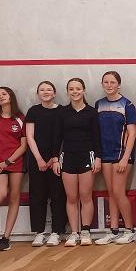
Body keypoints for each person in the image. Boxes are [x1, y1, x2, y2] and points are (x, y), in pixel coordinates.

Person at [52, 78, 102, 247]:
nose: (75, 92)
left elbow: (96, 137)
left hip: (87, 157)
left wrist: (98, 158)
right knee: (72, 197)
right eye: (71, 89)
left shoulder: (91, 112)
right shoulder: (62, 112)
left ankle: (86, 231)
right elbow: (57, 137)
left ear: (83, 90)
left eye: (78, 88)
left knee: (85, 195)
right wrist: (55, 159)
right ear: (67, 92)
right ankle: (74, 233)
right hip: (68, 158)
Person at [94, 71, 136, 245]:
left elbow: (132, 134)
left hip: (122, 155)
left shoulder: (127, 104)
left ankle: (130, 230)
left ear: (119, 84)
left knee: (119, 192)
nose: (109, 85)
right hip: (105, 155)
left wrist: (125, 157)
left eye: (112, 82)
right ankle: (113, 231)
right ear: (102, 84)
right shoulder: (99, 104)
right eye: (106, 82)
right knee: (111, 192)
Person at [0, 87, 27, 251]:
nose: (1, 97)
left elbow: (23, 145)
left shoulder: (20, 118)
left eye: (4, 94)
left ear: (10, 97)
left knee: (14, 197)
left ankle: (6, 237)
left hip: (15, 162)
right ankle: (3, 185)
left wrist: (7, 162)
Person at [26, 81, 67, 247]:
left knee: (58, 196)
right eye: (42, 90)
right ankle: (39, 232)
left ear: (54, 93)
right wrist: (39, 159)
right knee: (37, 196)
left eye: (49, 89)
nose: (45, 92)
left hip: (56, 160)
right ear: (38, 94)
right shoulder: (33, 111)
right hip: (37, 160)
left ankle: (57, 232)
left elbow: (63, 136)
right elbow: (30, 137)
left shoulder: (62, 111)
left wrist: (53, 158)